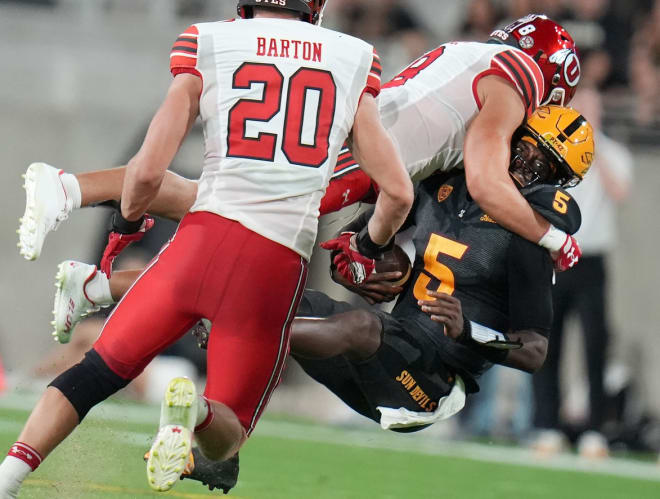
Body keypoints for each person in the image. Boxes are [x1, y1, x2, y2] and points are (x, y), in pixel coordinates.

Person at [51, 105, 595, 489]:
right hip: (387, 351)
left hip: (429, 385)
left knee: (340, 328)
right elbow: (365, 245)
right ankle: (220, 444)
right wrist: (361, 263)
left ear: (558, 184)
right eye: (527, 149)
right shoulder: (445, 183)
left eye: (545, 166)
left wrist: (469, 330)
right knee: (281, 296)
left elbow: (535, 350)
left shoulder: (528, 239)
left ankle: (239, 336)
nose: (526, 167)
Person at [0, 1, 415, 496]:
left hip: (199, 243)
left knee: (95, 372)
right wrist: (369, 247)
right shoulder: (352, 57)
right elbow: (398, 192)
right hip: (274, 263)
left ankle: (9, 476)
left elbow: (149, 170)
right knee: (227, 435)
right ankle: (192, 410)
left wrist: (127, 223)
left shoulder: (210, 40)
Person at [18, 13, 585, 279]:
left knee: (220, 205)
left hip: (358, 147)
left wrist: (371, 236)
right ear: (551, 73)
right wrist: (554, 238)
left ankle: (78, 220)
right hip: (354, 151)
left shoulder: (480, 61)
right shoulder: (517, 75)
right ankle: (71, 200)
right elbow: (487, 181)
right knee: (232, 214)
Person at [532, 88, 633, 459]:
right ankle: (547, 426)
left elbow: (619, 192)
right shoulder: (558, 153)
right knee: (548, 342)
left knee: (595, 346)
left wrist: (597, 149)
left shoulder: (615, 153)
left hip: (592, 261)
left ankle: (594, 430)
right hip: (557, 256)